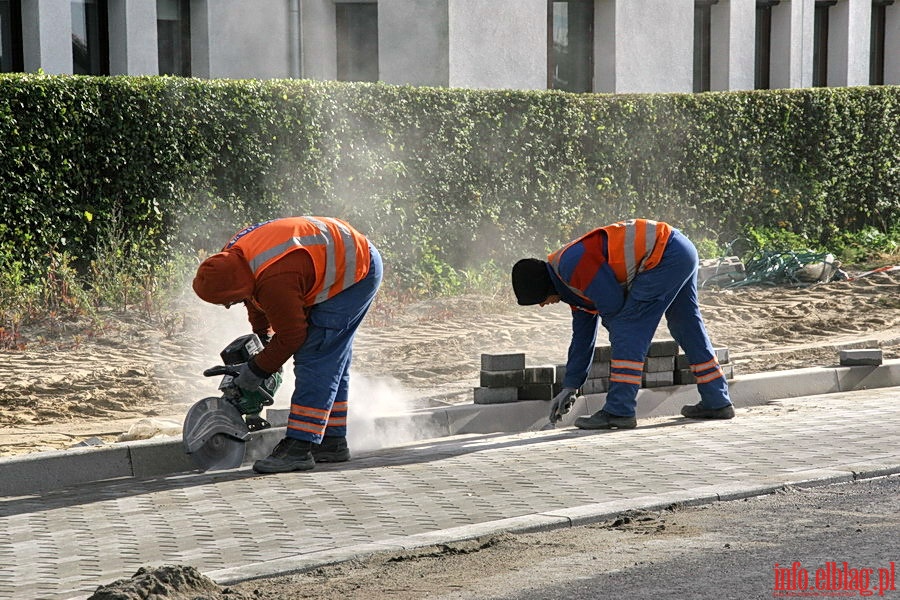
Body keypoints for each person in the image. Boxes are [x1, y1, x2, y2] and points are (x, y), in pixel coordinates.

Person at [192, 216, 382, 473]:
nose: (228, 306)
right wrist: (264, 341)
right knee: (330, 358)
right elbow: (253, 299)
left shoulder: (274, 277)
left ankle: (299, 448)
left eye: (228, 301)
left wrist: (259, 369)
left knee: (317, 355)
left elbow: (293, 336)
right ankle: (331, 441)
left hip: (355, 269)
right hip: (330, 255)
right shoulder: (233, 259)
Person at [511, 218, 733, 430]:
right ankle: (717, 400)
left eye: (538, 300)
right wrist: (571, 386)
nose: (541, 306)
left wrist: (623, 334)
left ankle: (619, 410)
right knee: (685, 325)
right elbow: (582, 337)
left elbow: (614, 307)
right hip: (678, 249)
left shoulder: (573, 265)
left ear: (543, 287)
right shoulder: (568, 283)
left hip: (664, 254)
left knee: (627, 327)